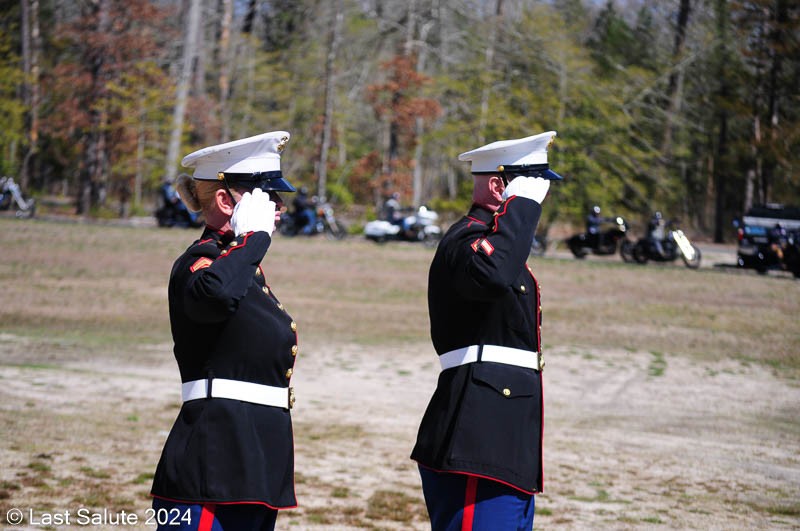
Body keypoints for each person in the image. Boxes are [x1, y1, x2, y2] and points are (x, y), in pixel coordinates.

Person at [411, 131, 562, 530]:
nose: (540, 200)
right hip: (478, 429)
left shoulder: (496, 244)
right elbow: (493, 275)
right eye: (532, 188)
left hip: (505, 433)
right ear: (499, 187)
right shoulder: (466, 240)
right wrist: (521, 207)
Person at [150, 131, 300, 531]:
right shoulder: (199, 264)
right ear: (224, 200)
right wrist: (253, 238)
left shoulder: (240, 267)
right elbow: (214, 297)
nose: (280, 205)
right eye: (267, 195)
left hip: (253, 461)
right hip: (212, 460)